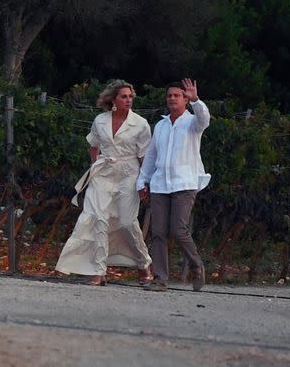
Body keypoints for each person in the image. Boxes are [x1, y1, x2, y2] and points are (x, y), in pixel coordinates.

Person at [55, 79, 153, 285]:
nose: (128, 100)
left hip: (129, 174)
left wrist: (144, 183)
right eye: (124, 96)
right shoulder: (100, 120)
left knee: (126, 223)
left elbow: (145, 156)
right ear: (113, 99)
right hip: (103, 174)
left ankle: (144, 263)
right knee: (98, 219)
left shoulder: (141, 124)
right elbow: (93, 145)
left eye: (130, 96)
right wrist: (94, 166)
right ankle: (98, 270)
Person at [137, 78, 210, 292]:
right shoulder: (160, 126)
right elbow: (151, 156)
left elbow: (204, 119)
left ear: (185, 99)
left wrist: (197, 100)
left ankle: (197, 265)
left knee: (178, 229)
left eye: (176, 95)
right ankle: (160, 279)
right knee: (158, 232)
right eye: (169, 95)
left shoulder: (192, 122)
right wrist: (143, 181)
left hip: (184, 183)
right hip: (160, 185)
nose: (171, 98)